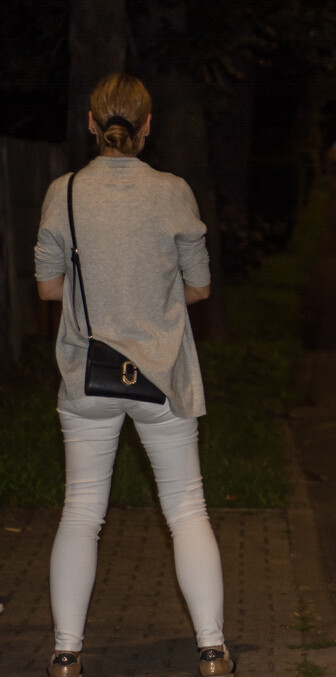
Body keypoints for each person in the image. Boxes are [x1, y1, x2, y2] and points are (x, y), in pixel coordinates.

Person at [33, 73, 235, 677]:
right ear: (148, 127)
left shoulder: (63, 192)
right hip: (163, 376)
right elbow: (199, 288)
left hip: (86, 376)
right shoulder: (173, 191)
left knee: (81, 510)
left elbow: (47, 288)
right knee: (186, 508)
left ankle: (67, 651)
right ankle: (212, 648)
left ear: (91, 125)